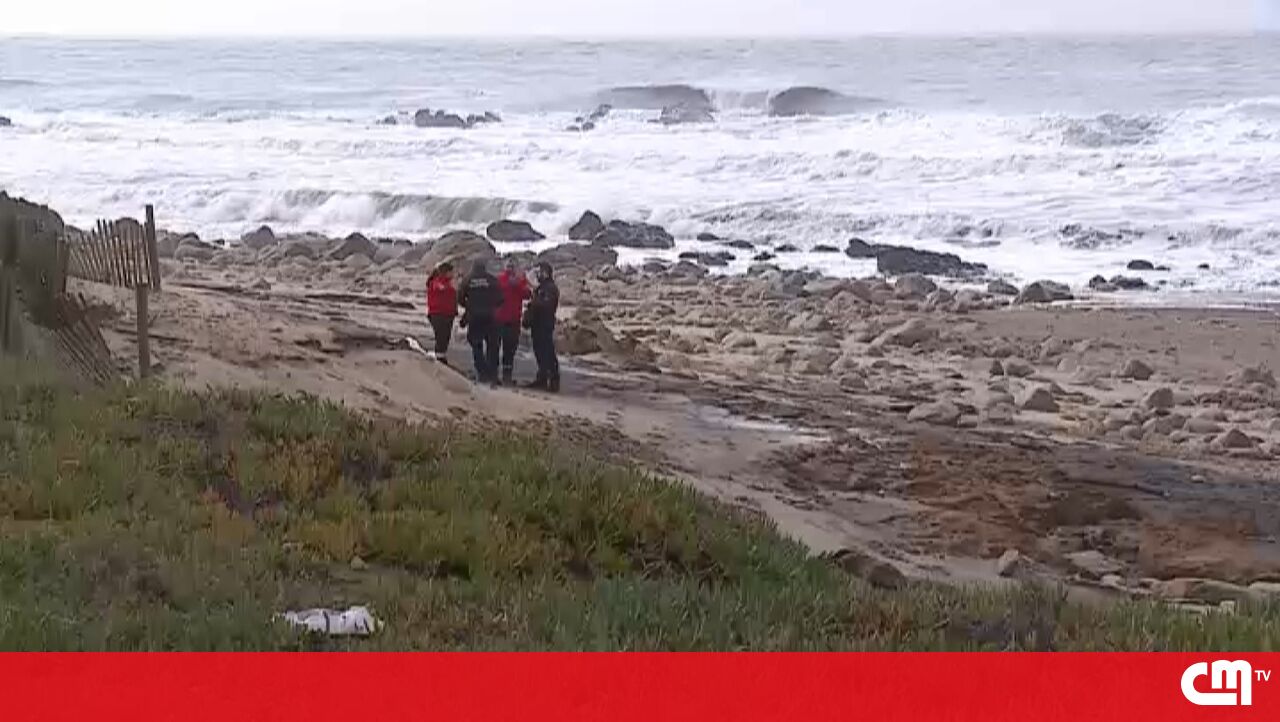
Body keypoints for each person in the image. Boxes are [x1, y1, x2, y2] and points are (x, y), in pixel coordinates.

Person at [458, 258, 501, 384]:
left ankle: (482, 372)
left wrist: (469, 305)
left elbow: (460, 297)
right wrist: (490, 305)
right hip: (490, 316)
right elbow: (500, 298)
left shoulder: (468, 279)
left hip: (474, 316)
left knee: (476, 344)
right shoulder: (492, 279)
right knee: (492, 346)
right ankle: (493, 374)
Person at [523, 262, 560, 392]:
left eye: (540, 272)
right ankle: (542, 378)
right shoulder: (541, 287)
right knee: (539, 351)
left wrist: (534, 303)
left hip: (545, 324)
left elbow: (547, 305)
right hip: (537, 324)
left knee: (548, 352)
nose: (538, 274)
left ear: (546, 273)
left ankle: (553, 380)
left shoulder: (550, 288)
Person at [495, 257, 532, 386]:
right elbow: (528, 294)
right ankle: (506, 376)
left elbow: (527, 294)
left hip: (501, 318)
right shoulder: (517, 281)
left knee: (497, 348)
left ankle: (495, 374)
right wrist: (522, 282)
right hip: (511, 319)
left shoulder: (499, 279)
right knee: (509, 349)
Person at [425, 262, 457, 364]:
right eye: (451, 272)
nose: (453, 274)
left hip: (447, 314)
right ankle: (439, 359)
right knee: (441, 338)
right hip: (438, 314)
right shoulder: (436, 282)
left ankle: (441, 357)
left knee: (445, 338)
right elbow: (439, 288)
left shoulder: (448, 283)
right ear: (446, 272)